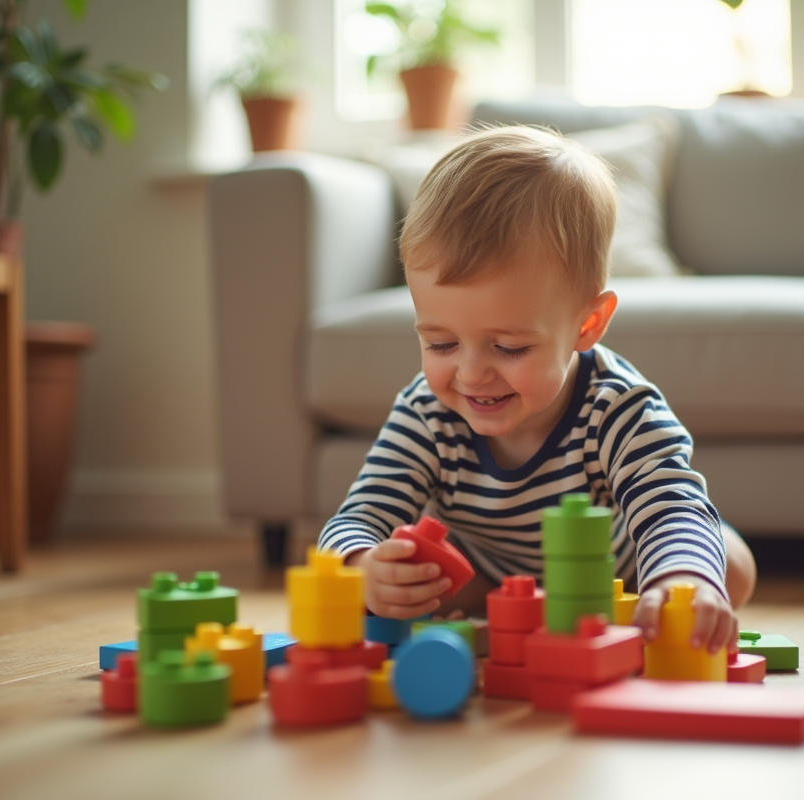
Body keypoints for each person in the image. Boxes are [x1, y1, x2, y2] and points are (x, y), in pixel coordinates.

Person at [318, 125, 757, 655]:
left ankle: (635, 603)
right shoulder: (426, 410)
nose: (472, 374)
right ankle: (517, 610)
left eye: (508, 347)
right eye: (440, 344)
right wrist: (362, 566)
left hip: (618, 575)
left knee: (727, 567)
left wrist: (682, 579)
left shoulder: (618, 406)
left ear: (587, 325)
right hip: (487, 572)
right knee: (417, 585)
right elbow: (360, 515)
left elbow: (670, 506)